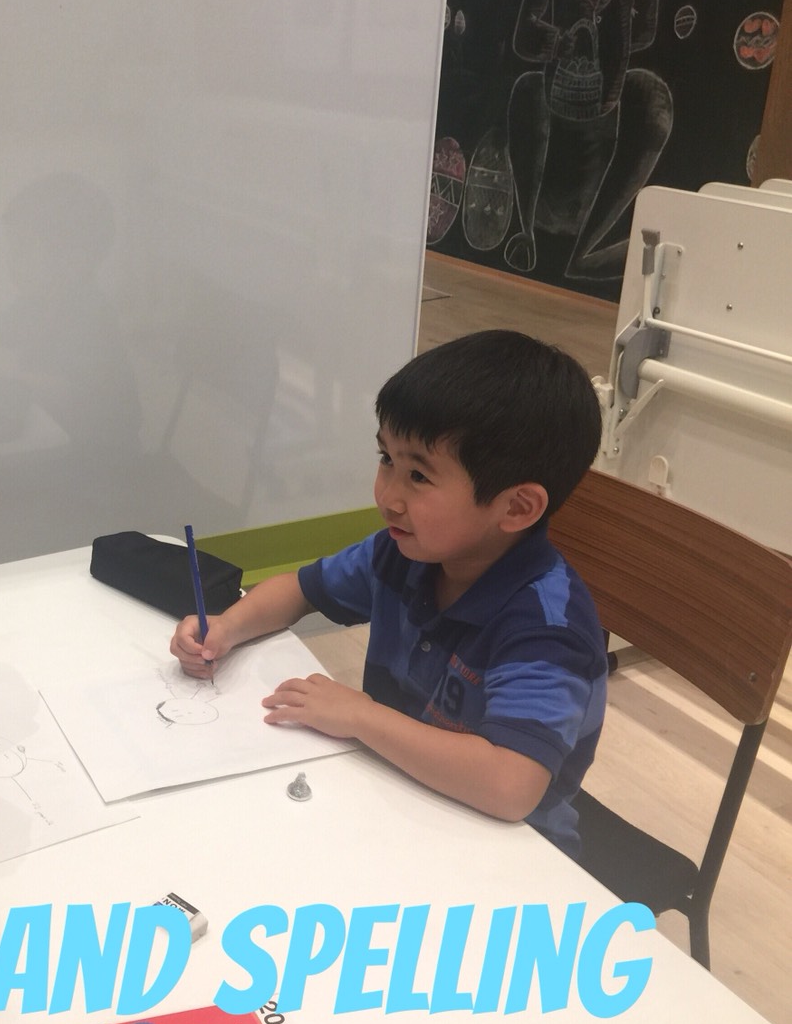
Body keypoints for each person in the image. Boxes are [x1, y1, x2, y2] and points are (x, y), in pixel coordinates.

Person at [170, 330, 608, 856]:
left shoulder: (547, 627)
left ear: (516, 508)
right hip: (394, 788)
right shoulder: (404, 552)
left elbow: (510, 786)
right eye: (386, 459)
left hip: (509, 851)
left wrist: (361, 716)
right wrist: (227, 627)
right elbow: (300, 589)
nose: (387, 497)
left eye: (418, 475)